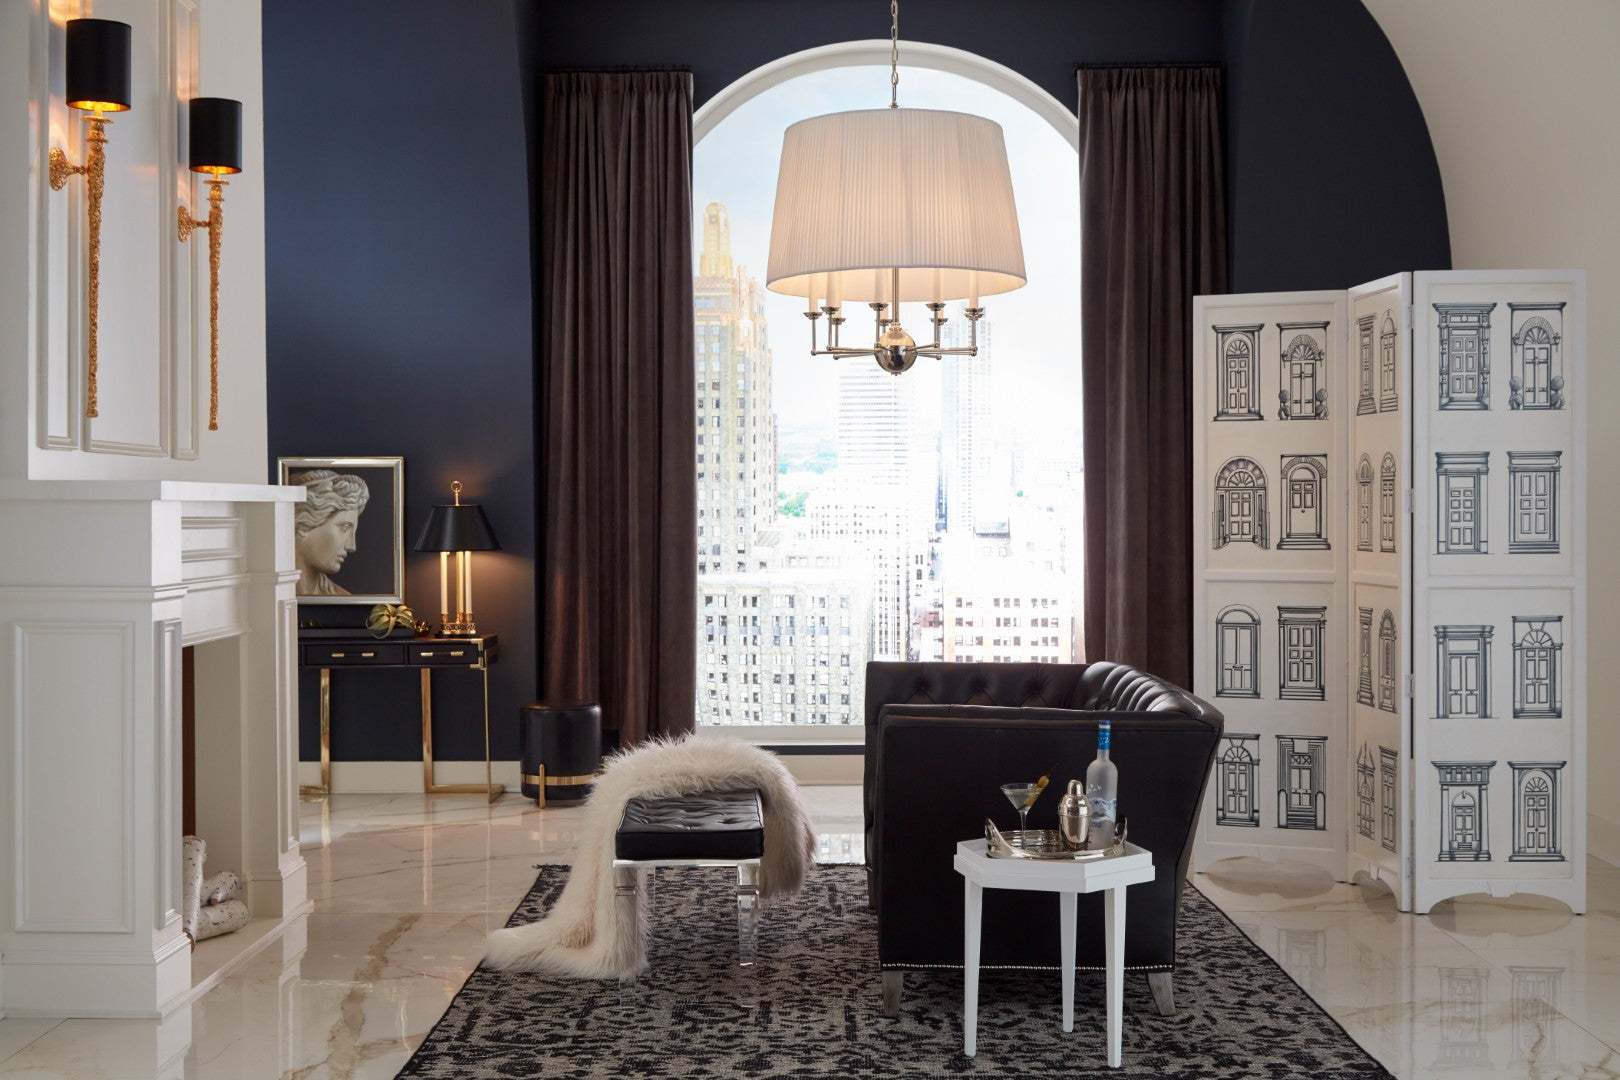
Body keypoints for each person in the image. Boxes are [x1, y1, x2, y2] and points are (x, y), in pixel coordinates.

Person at [290, 469, 370, 596]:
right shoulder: (263, 594)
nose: (351, 546)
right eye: (344, 527)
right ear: (303, 524)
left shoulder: (342, 598)